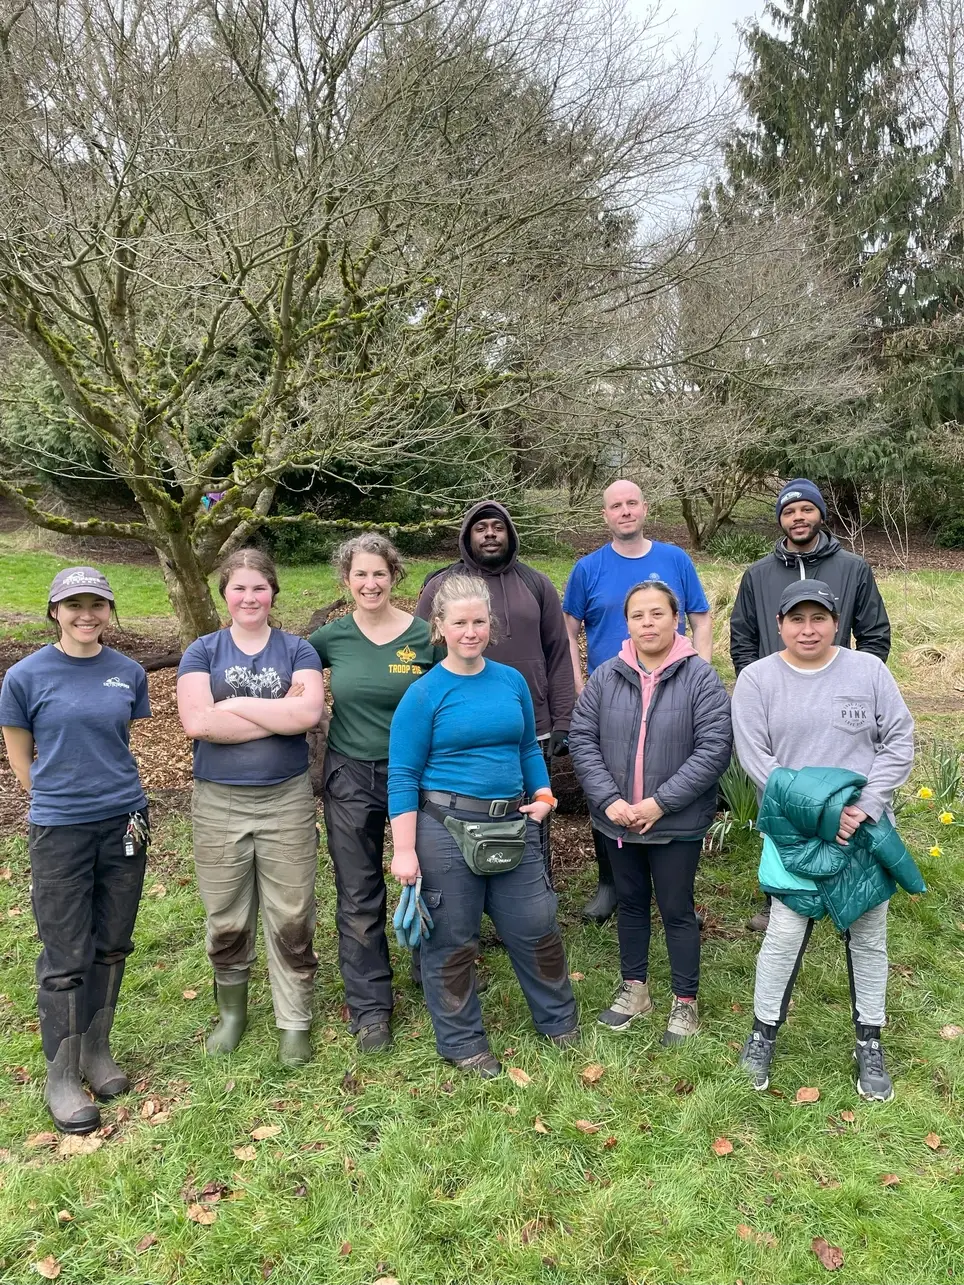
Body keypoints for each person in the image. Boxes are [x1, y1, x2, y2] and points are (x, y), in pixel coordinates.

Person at [732, 580, 918, 1101]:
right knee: (785, 933)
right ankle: (762, 1034)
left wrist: (864, 807)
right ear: (780, 624)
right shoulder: (758, 679)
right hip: (796, 835)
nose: (807, 629)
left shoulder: (868, 671)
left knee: (868, 934)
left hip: (864, 829)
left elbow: (898, 739)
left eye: (818, 619)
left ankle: (869, 1041)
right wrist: (819, 816)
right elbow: (756, 758)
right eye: (797, 619)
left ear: (837, 623)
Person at [388, 574, 579, 1079]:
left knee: (536, 925)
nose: (470, 631)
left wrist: (543, 795)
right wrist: (404, 851)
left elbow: (524, 748)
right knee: (452, 938)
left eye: (478, 621)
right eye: (459, 622)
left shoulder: (511, 682)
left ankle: (560, 1023)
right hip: (443, 827)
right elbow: (403, 776)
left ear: (489, 625)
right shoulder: (424, 694)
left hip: (512, 824)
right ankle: (462, 1042)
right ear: (441, 627)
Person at [0, 567, 151, 1134]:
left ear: (110, 610)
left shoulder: (128, 673)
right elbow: (21, 757)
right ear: (54, 612)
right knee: (66, 951)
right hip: (60, 829)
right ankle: (61, 1074)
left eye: (97, 604)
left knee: (112, 941)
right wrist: (52, 794)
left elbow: (116, 740)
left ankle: (96, 1051)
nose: (86, 615)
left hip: (125, 820)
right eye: (73, 605)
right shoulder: (25, 676)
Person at [176, 549, 325, 1066]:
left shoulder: (298, 649)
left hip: (287, 799)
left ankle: (294, 1021)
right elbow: (198, 725)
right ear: (225, 594)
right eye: (238, 588)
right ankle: (232, 1015)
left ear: (273, 592)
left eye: (259, 587)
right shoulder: (202, 651)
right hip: (218, 802)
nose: (249, 598)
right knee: (227, 916)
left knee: (292, 914)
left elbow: (307, 713)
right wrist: (276, 713)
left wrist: (233, 706)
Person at [569, 581, 731, 1044]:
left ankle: (685, 1003)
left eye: (657, 613)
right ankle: (635, 989)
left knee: (677, 909)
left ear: (675, 618)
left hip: (674, 822)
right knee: (633, 905)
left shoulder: (699, 675)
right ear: (627, 623)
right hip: (618, 819)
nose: (647, 623)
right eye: (638, 615)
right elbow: (582, 738)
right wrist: (610, 801)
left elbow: (715, 747)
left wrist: (660, 803)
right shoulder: (606, 675)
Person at [729, 478, 892, 932]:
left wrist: (855, 680)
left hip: (840, 710)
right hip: (777, 707)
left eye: (806, 509)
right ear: (780, 520)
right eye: (788, 512)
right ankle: (780, 893)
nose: (798, 518)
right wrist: (756, 686)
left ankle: (846, 884)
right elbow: (742, 637)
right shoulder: (758, 575)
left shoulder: (853, 567)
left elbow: (875, 633)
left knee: (841, 799)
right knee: (779, 798)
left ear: (820, 513)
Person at [308, 534, 442, 1053]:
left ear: (395, 576)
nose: (370, 583)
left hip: (419, 773)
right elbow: (285, 674)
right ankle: (370, 1008)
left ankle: (435, 979)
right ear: (346, 580)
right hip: (349, 774)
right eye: (360, 575)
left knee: (431, 878)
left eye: (379, 574)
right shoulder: (329, 639)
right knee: (359, 892)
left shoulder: (426, 636)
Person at [562, 479, 713, 922]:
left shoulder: (674, 559)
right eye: (615, 505)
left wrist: (698, 674)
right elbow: (568, 634)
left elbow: (701, 620)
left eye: (632, 503)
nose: (625, 511)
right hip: (612, 698)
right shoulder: (587, 569)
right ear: (605, 515)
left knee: (673, 781)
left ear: (644, 509)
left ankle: (675, 890)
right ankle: (611, 883)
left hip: (672, 694)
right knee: (607, 784)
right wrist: (579, 686)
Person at [415, 501, 575, 876]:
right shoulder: (441, 585)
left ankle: (536, 884)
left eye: (497, 527)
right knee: (462, 816)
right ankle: (463, 892)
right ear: (467, 536)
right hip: (456, 728)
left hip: (530, 724)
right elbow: (417, 656)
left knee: (532, 814)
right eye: (481, 527)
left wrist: (564, 718)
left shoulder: (536, 584)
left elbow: (559, 655)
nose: (490, 533)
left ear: (510, 534)